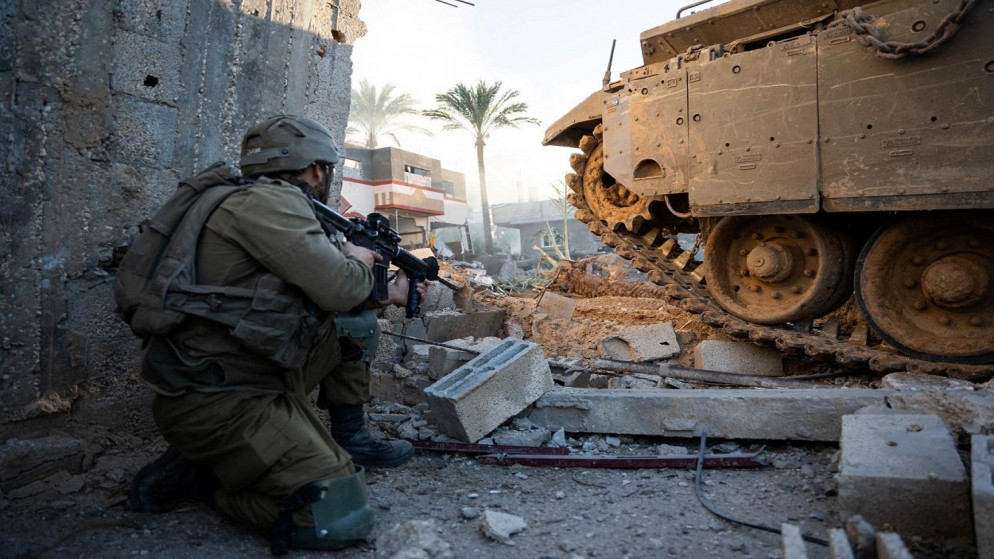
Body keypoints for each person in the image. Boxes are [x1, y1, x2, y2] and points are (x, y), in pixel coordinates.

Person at [127, 115, 422, 553]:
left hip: (238, 374)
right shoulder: (272, 205)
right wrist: (360, 258)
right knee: (338, 517)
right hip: (220, 399)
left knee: (354, 328)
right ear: (318, 170)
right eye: (327, 170)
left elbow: (311, 296)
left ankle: (349, 438)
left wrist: (388, 294)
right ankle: (202, 482)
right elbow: (340, 287)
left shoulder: (253, 202)